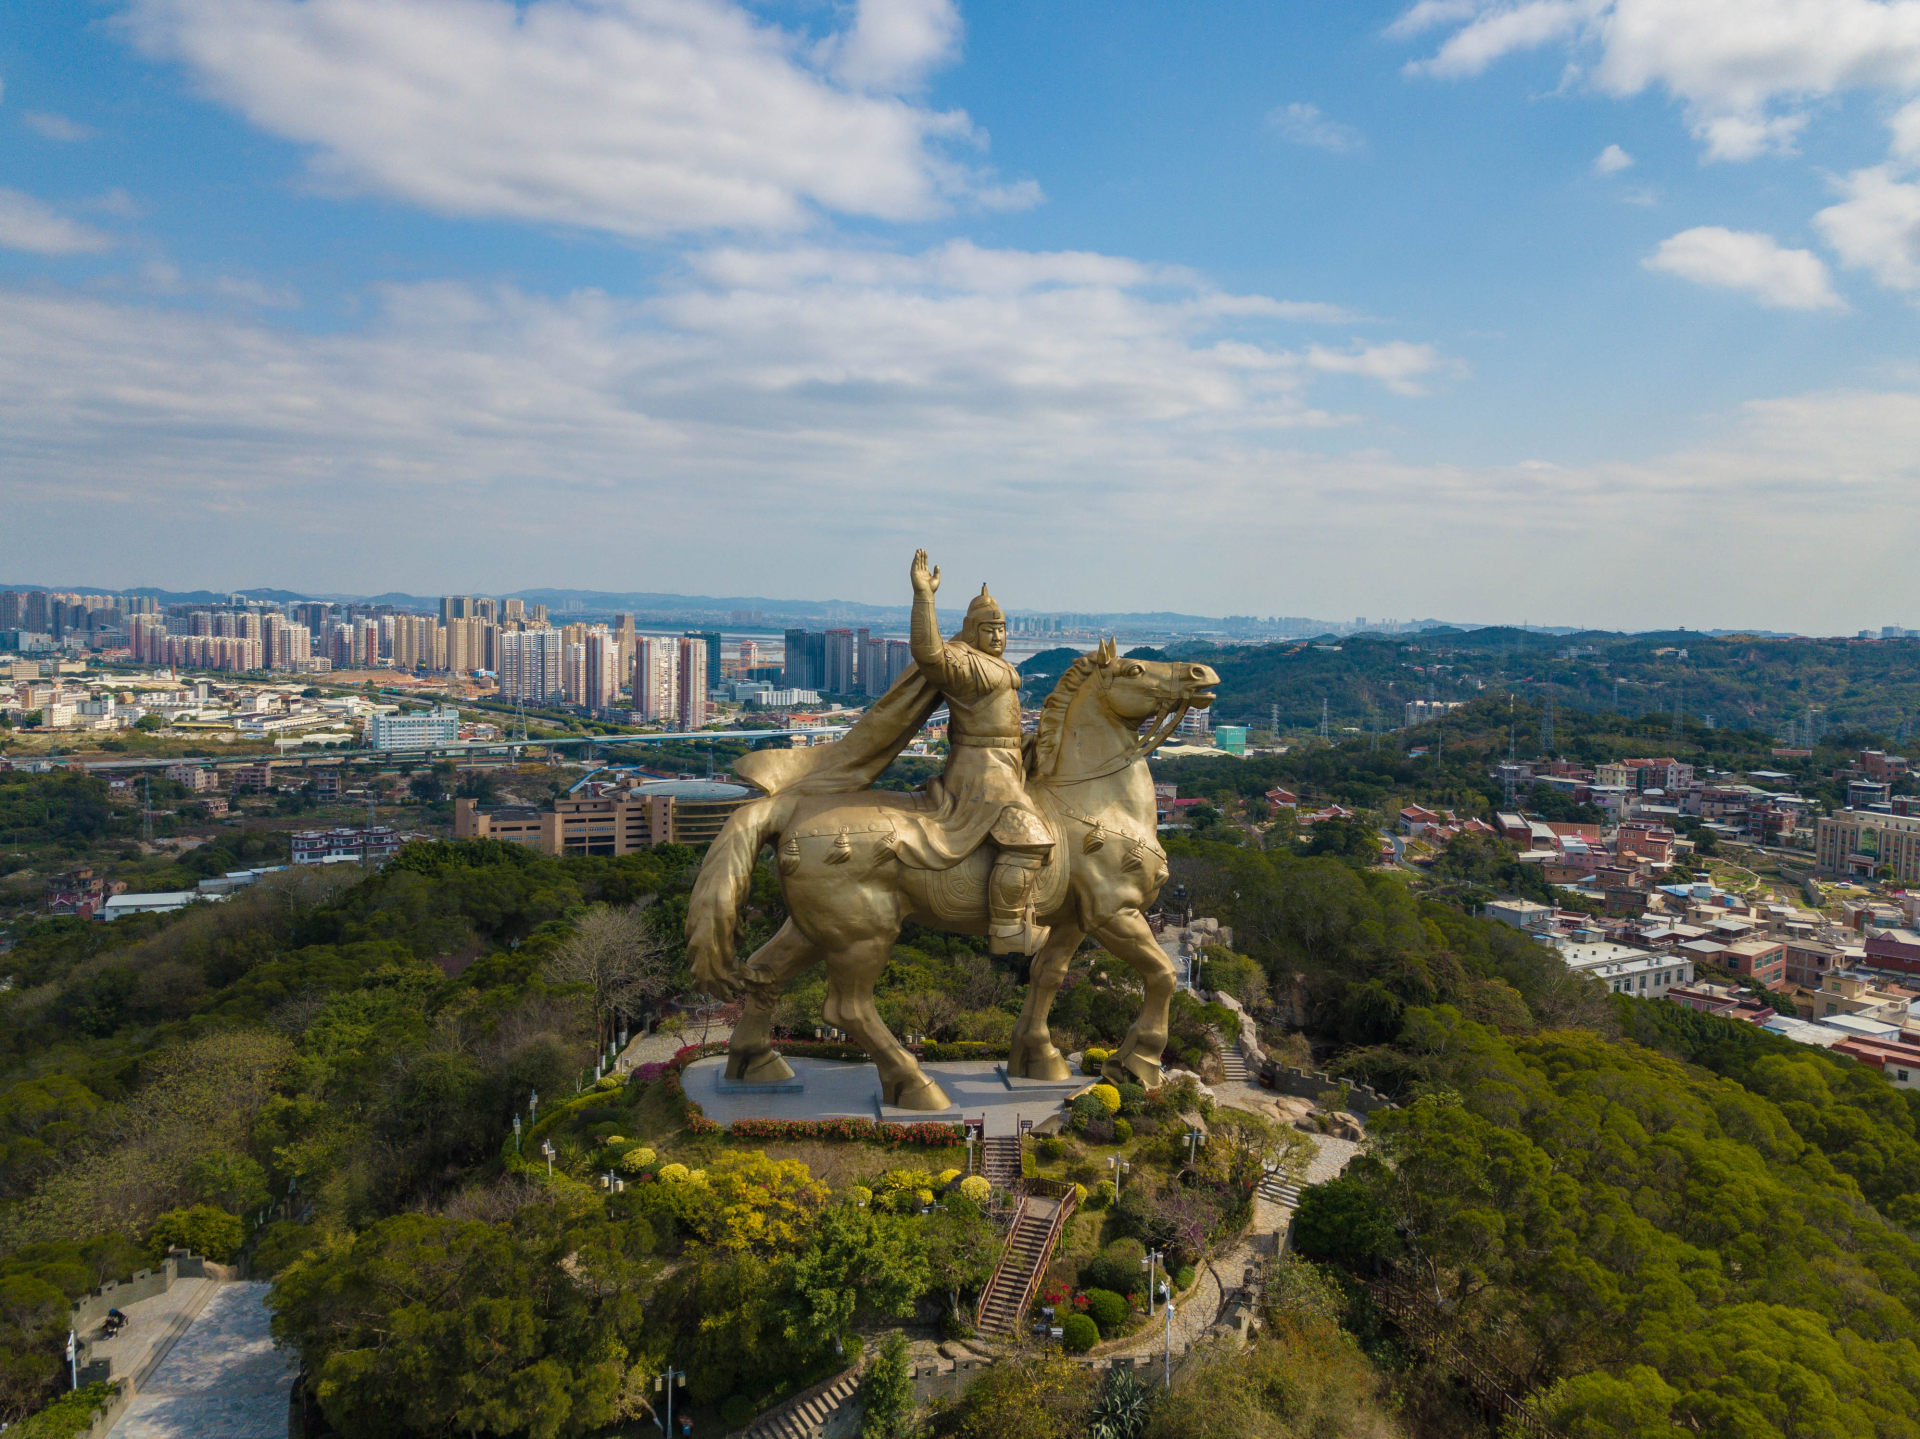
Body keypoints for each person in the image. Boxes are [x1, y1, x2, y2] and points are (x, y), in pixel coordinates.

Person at [907, 549, 1053, 956]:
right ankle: (1006, 927)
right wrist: (925, 597)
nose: (998, 637)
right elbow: (929, 654)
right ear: (972, 631)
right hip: (979, 770)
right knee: (1030, 838)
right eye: (989, 630)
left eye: (1003, 630)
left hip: (1007, 762)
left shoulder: (1002, 668)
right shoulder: (965, 663)